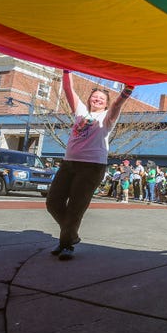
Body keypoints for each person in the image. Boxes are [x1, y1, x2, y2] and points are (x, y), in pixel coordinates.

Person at [46, 70, 133, 260]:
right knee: (53, 203)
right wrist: (66, 68)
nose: (97, 99)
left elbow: (118, 104)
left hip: (92, 167)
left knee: (76, 208)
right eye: (94, 97)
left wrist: (128, 89)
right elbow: (68, 89)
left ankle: (66, 244)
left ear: (106, 103)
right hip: (69, 163)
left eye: (101, 98)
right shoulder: (80, 112)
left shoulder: (107, 118)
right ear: (89, 100)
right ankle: (71, 235)